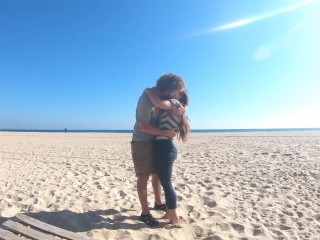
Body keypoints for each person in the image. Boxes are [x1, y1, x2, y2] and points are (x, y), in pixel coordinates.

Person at [131, 73, 187, 227]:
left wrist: (183, 109)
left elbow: (184, 100)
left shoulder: (165, 99)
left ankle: (158, 202)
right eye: (177, 92)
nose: (179, 94)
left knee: (157, 174)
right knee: (143, 177)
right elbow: (143, 126)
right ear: (168, 91)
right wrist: (166, 133)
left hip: (156, 141)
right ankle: (145, 213)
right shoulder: (146, 100)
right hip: (142, 142)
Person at [144, 88, 190, 226]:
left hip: (164, 147)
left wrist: (148, 91)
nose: (170, 93)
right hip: (164, 147)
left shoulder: (175, 103)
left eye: (175, 91)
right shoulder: (179, 107)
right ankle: (169, 212)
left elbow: (158, 103)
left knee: (167, 184)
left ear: (180, 95)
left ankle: (174, 217)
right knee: (164, 182)